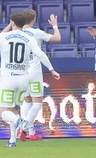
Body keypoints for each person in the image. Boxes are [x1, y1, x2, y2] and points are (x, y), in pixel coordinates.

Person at [0, 12, 60, 147]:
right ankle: (12, 140)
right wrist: (52, 69)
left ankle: (20, 122)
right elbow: (40, 54)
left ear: (12, 23)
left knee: (4, 112)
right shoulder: (29, 38)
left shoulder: (5, 37)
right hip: (23, 79)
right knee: (15, 108)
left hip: (8, 79)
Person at [16, 9, 62, 141]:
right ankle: (24, 127)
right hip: (34, 72)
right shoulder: (36, 32)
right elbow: (57, 38)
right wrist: (54, 25)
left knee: (27, 101)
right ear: (33, 20)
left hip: (21, 72)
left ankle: (31, 133)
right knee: (37, 103)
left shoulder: (17, 34)